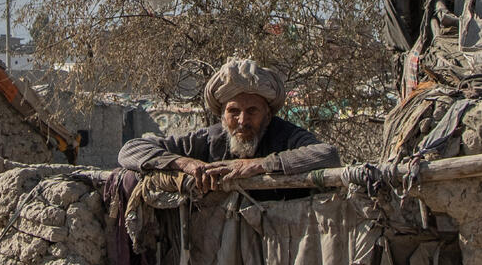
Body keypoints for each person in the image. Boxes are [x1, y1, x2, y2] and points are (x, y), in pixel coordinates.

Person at [118, 56, 340, 190]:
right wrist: (186, 164)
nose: (242, 121)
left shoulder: (286, 136)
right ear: (222, 115)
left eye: (252, 111)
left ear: (268, 115)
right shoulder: (209, 139)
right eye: (234, 111)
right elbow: (130, 150)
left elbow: (327, 154)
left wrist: (260, 165)